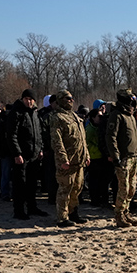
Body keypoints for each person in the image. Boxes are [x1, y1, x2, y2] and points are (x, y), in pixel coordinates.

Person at [50, 90, 90, 228]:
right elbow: (57, 141)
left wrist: (87, 155)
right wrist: (63, 159)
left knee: (77, 188)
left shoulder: (74, 116)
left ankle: (73, 213)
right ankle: (62, 217)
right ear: (61, 100)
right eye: (68, 98)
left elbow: (82, 139)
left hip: (79, 160)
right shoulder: (57, 118)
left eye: (72, 98)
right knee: (65, 189)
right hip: (67, 161)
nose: (71, 100)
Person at [6, 89, 47, 221]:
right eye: (26, 99)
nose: (28, 101)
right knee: (20, 184)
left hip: (34, 155)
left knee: (32, 184)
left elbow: (39, 133)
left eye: (31, 99)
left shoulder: (35, 113)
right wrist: (17, 153)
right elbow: (12, 135)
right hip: (22, 156)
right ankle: (18, 210)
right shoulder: (16, 113)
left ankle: (32, 207)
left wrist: (40, 149)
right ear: (22, 99)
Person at [106, 88, 137, 227]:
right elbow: (111, 137)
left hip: (133, 156)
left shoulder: (131, 115)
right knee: (123, 188)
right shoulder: (117, 115)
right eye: (129, 99)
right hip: (123, 158)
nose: (132, 102)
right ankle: (119, 215)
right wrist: (115, 156)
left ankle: (126, 212)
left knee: (132, 188)